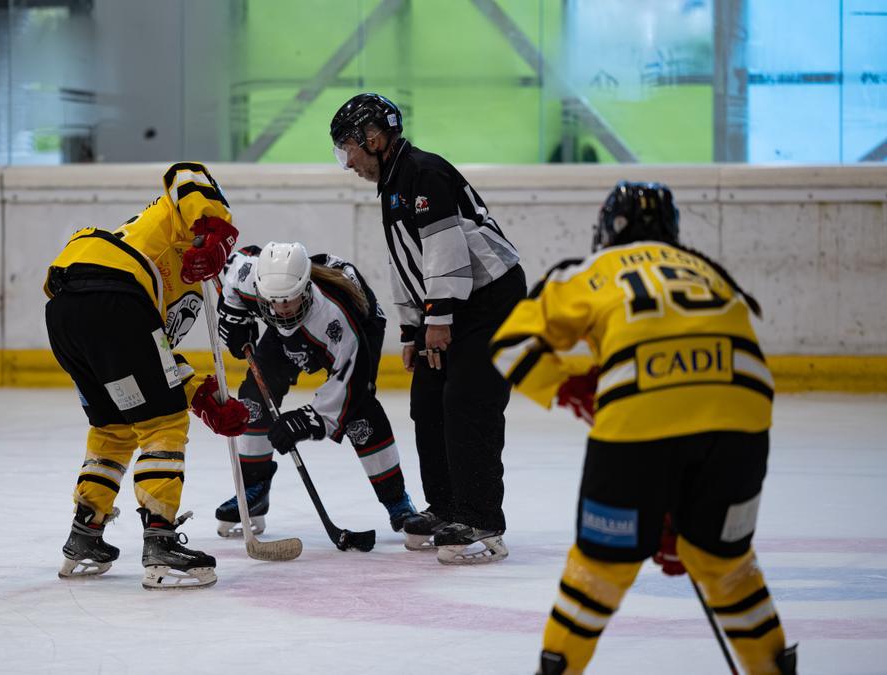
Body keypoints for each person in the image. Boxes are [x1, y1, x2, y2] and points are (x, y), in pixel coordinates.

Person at [489, 181, 796, 674]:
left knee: (598, 573)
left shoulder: (589, 270)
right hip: (744, 414)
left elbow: (509, 346)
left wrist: (573, 390)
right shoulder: (710, 271)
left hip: (639, 417)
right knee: (728, 566)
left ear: (609, 228)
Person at [329, 93, 526, 564]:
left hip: (490, 301)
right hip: (452, 304)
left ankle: (482, 523)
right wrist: (413, 330)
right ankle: (447, 508)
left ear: (373, 138)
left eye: (347, 149)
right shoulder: (394, 181)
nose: (347, 162)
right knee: (428, 401)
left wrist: (437, 319)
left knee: (467, 401)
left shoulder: (423, 172)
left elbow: (445, 252)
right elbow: (407, 262)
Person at [44, 162, 251, 590]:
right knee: (163, 422)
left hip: (67, 309)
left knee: (114, 426)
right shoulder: (183, 219)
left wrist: (204, 399)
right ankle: (160, 541)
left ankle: (84, 536)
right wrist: (212, 232)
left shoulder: (189, 295)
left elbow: (156, 357)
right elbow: (186, 172)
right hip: (112, 289)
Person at [212, 242, 418, 538]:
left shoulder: (334, 317)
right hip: (293, 331)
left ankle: (397, 502)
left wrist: (307, 420)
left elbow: (348, 386)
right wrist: (233, 315)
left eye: (290, 300)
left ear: (306, 287)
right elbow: (234, 265)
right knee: (255, 396)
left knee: (360, 411)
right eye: (275, 301)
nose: (282, 309)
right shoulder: (253, 278)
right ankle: (254, 491)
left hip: (360, 326)